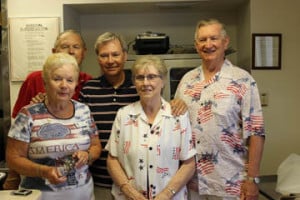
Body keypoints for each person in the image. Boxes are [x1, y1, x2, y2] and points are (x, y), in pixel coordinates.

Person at [79, 32, 187, 199]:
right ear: (98, 58)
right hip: (101, 180)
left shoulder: (142, 89)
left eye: (115, 54)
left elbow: (188, 161)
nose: (110, 60)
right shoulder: (89, 90)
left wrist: (178, 103)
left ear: (124, 55)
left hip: (156, 189)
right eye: (104, 55)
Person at [175, 19, 265, 200]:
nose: (208, 44)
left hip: (230, 183)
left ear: (225, 42)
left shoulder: (242, 80)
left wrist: (252, 179)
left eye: (213, 38)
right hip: (192, 182)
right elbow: (175, 122)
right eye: (202, 40)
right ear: (196, 45)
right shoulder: (187, 80)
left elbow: (256, 132)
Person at [3, 29, 92, 190]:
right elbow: (16, 141)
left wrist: (88, 154)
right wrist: (13, 176)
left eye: (76, 47)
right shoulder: (34, 80)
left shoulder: (90, 83)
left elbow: (93, 139)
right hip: (39, 185)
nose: (71, 51)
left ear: (84, 52)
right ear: (54, 51)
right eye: (65, 46)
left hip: (79, 185)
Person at [106, 55, 196, 200]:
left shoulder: (178, 116)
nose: (145, 83)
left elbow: (189, 163)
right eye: (140, 77)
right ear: (134, 82)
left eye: (152, 77)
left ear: (163, 80)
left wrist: (166, 194)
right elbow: (112, 160)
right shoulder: (124, 115)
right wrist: (130, 193)